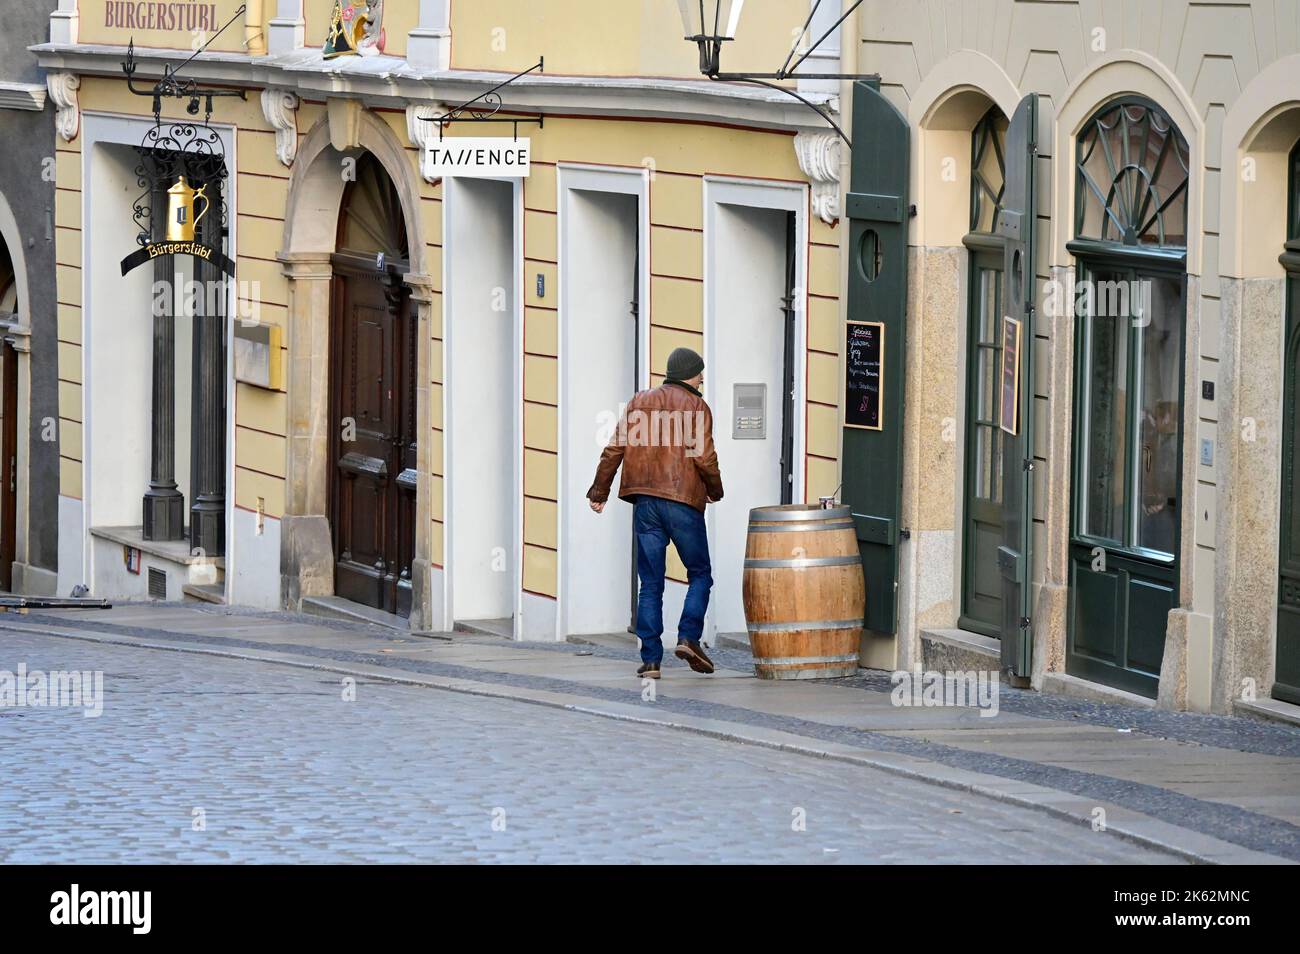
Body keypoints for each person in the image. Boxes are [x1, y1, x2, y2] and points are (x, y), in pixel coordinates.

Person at [587, 347, 724, 679]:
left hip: (645, 503)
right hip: (682, 501)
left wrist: (599, 491)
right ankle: (689, 637)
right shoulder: (696, 407)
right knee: (700, 573)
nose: (703, 377)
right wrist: (715, 490)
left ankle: (650, 661)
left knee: (650, 582)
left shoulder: (639, 402)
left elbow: (614, 449)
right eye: (700, 372)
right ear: (690, 373)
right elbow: (703, 457)